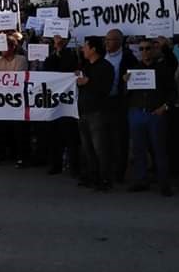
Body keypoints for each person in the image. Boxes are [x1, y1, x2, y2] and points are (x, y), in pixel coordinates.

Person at [124, 36, 178, 196]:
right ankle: (141, 180)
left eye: (148, 48)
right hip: (137, 114)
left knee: (159, 149)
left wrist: (165, 107)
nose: (145, 52)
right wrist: (125, 83)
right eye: (141, 49)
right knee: (138, 149)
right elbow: (126, 94)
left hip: (156, 114)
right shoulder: (133, 69)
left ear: (154, 50)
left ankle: (164, 183)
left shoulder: (163, 69)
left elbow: (173, 93)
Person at [77, 36, 115, 191]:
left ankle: (105, 179)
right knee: (87, 148)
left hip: (98, 112)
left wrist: (88, 83)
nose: (83, 49)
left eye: (85, 46)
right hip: (83, 111)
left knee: (100, 148)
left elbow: (105, 89)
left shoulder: (105, 66)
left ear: (93, 49)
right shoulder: (86, 66)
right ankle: (92, 176)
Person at [44, 34, 81, 176]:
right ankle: (55, 164)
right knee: (53, 135)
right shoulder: (51, 55)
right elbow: (48, 69)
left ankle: (74, 167)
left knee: (70, 136)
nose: (58, 41)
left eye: (61, 39)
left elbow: (68, 67)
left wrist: (62, 50)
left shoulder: (73, 54)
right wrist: (57, 51)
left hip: (67, 103)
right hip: (53, 101)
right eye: (56, 39)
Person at [105, 28, 138, 183]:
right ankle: (107, 169)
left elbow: (136, 77)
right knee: (107, 138)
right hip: (104, 102)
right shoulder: (103, 55)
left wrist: (128, 81)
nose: (107, 42)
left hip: (120, 102)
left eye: (110, 39)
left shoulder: (128, 57)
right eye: (106, 39)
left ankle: (119, 172)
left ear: (119, 41)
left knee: (120, 138)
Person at [0, 35, 30, 166]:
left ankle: (22, 156)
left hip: (17, 101)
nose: (2, 49)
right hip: (1, 101)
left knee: (19, 130)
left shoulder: (21, 60)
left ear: (13, 47)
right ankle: (0, 153)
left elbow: (17, 77)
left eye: (5, 46)